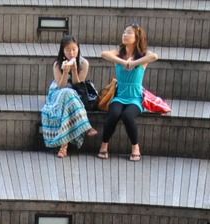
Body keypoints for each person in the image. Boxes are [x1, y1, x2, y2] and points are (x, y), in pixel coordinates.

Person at [98, 24, 158, 161]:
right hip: (119, 96)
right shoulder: (118, 54)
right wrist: (124, 63)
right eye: (124, 32)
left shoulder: (143, 55)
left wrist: (134, 63)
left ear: (137, 37)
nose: (125, 35)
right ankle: (104, 145)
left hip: (135, 98)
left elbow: (154, 56)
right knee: (114, 114)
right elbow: (104, 54)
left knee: (127, 116)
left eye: (129, 33)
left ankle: (135, 147)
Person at [41, 35, 98, 158]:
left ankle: (64, 146)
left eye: (74, 49)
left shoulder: (84, 63)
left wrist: (74, 71)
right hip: (57, 92)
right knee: (67, 93)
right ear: (62, 51)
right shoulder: (57, 64)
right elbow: (61, 86)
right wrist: (65, 72)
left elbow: (78, 85)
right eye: (67, 50)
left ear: (78, 49)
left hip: (75, 93)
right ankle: (85, 125)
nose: (71, 53)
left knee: (70, 95)